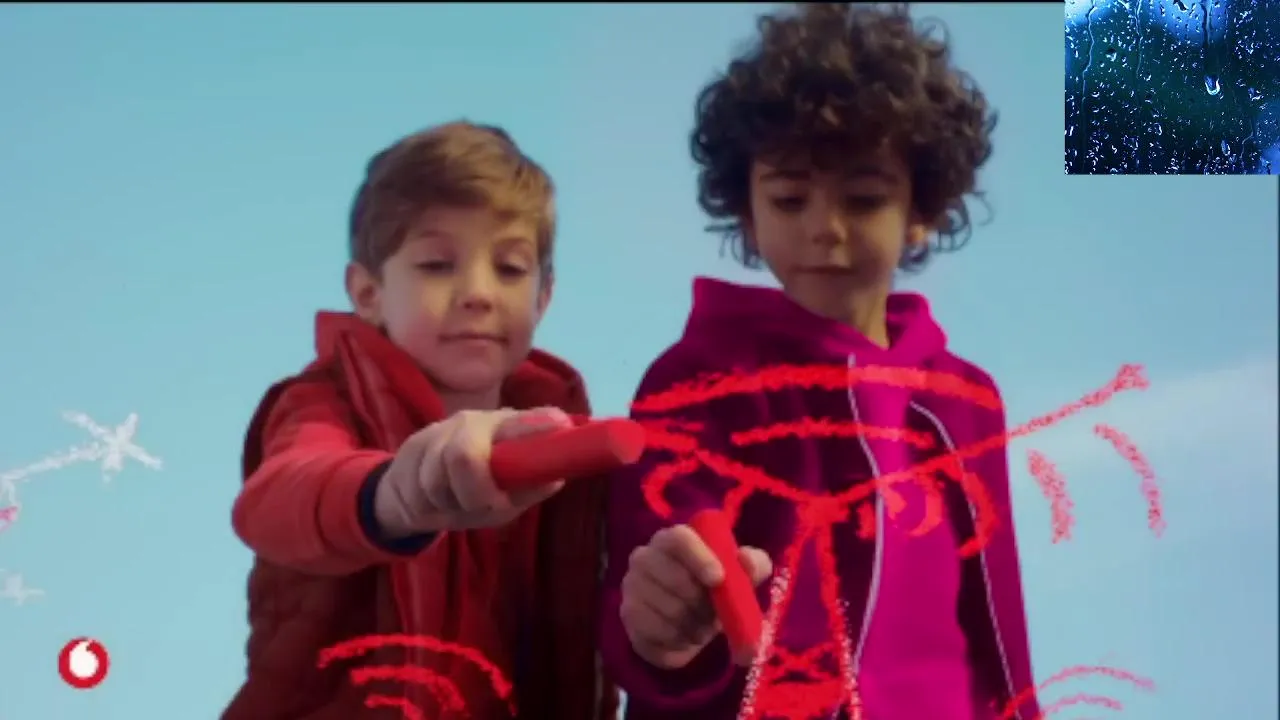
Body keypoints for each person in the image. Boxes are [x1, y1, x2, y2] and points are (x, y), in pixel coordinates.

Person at [600, 4, 1041, 720]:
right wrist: (664, 624)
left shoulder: (967, 400)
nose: (824, 228)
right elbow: (648, 589)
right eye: (789, 198)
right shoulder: (700, 378)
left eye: (862, 199)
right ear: (747, 214)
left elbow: (998, 625)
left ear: (922, 211)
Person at [225, 122, 617, 720]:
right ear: (368, 293)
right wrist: (394, 495)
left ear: (544, 297)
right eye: (437, 265)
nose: (479, 293)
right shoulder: (326, 401)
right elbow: (276, 499)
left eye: (511, 268)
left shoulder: (569, 442)